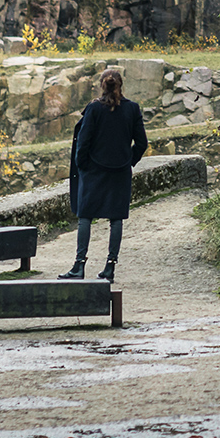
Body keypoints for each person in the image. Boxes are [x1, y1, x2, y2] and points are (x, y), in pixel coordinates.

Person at [59, 68, 148, 282]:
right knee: (116, 219)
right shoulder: (132, 109)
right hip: (120, 172)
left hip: (94, 171)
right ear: (121, 85)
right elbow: (142, 143)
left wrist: (83, 166)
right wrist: (128, 161)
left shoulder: (94, 109)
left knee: (85, 216)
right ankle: (110, 268)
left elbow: (83, 142)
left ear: (102, 85)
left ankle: (79, 266)